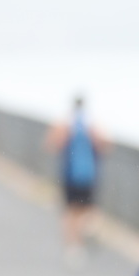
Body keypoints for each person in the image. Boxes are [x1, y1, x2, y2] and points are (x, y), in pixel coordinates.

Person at [45, 96, 108, 265]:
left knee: (72, 212)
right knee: (81, 210)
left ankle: (73, 245)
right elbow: (105, 146)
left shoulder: (68, 123)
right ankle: (77, 243)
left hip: (73, 175)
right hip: (87, 175)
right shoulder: (91, 124)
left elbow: (52, 145)